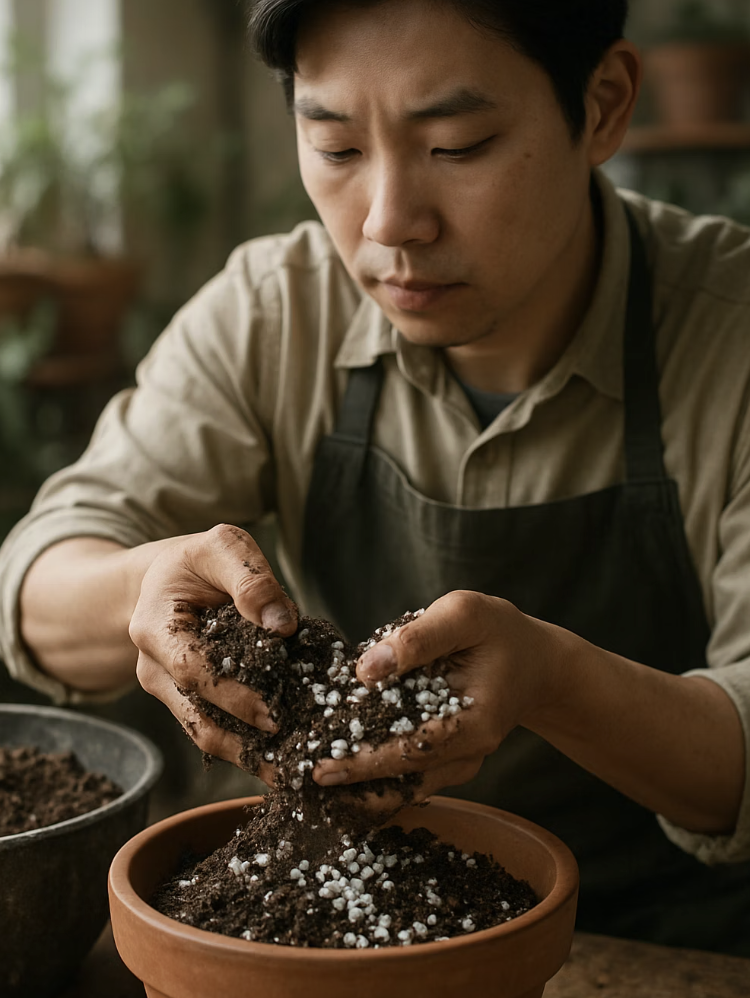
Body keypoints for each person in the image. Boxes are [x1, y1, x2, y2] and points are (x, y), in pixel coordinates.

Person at [2, 0, 750, 954]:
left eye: (460, 145)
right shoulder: (275, 312)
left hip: (673, 944)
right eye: (338, 150)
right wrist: (134, 595)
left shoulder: (729, 330)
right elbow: (37, 578)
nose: (390, 222)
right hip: (319, 926)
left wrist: (553, 680)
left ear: (602, 106)